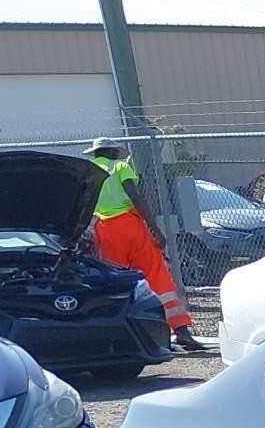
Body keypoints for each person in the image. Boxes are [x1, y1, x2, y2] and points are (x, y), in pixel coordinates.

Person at [84, 137, 209, 354]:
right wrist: (155, 228)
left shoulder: (87, 172)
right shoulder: (120, 166)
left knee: (118, 283)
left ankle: (127, 335)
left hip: (104, 230)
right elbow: (135, 196)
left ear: (95, 154)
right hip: (131, 225)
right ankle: (181, 331)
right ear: (113, 152)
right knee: (156, 276)